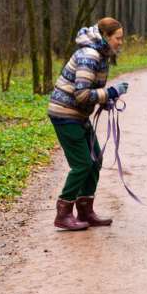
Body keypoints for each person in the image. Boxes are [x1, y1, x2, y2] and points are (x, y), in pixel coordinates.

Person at [47, 17, 128, 230]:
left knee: (95, 159)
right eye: (118, 38)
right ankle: (63, 213)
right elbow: (82, 94)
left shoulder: (101, 54)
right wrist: (110, 92)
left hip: (78, 115)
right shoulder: (89, 56)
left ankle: (85, 211)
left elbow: (89, 93)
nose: (121, 42)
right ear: (106, 36)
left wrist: (106, 100)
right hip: (65, 114)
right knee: (82, 164)